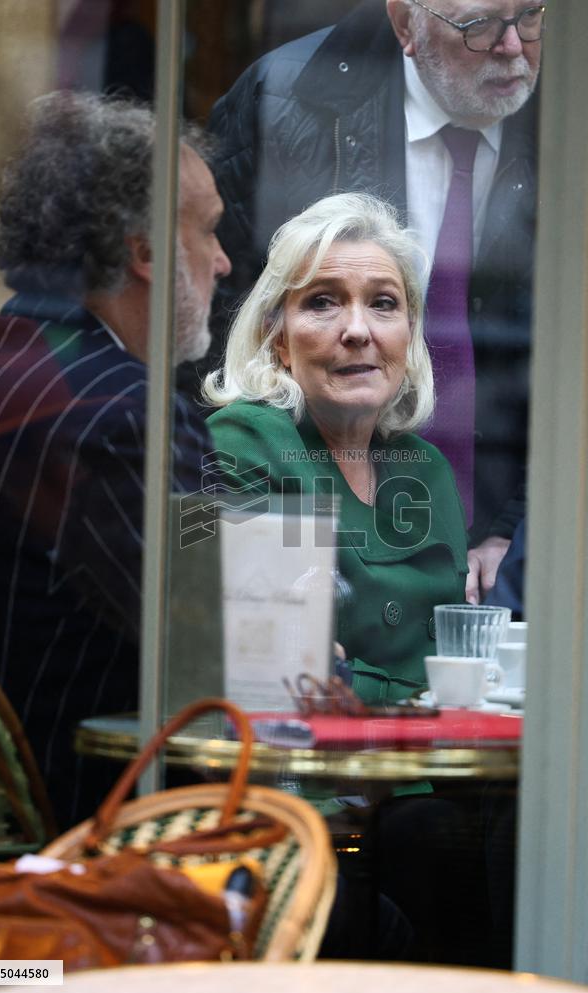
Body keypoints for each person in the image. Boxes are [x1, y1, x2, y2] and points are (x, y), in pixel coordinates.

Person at [200, 0, 588, 604]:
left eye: (531, 17)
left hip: (530, 530)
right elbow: (210, 337)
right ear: (404, 23)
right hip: (317, 531)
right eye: (478, 26)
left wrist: (523, 534)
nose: (512, 47)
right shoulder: (282, 102)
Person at [0, 91, 231, 829]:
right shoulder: (123, 414)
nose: (225, 263)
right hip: (86, 846)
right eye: (208, 232)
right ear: (144, 252)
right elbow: (215, 642)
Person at [205, 192, 467, 705]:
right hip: (305, 774)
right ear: (276, 338)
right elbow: (266, 666)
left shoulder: (427, 468)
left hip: (436, 774)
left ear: (409, 335)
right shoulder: (243, 441)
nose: (357, 330)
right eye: (323, 301)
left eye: (384, 303)